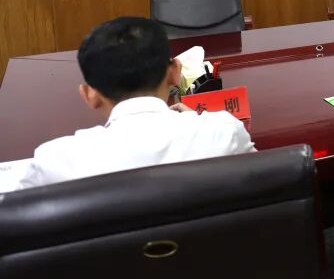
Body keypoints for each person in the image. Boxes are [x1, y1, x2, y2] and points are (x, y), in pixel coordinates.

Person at [10, 16, 254, 191]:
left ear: (89, 95)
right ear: (174, 73)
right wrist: (197, 121)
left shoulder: (56, 162)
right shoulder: (225, 134)